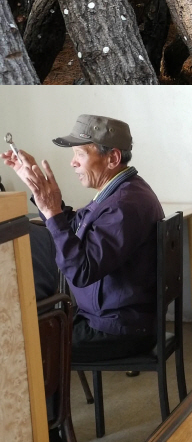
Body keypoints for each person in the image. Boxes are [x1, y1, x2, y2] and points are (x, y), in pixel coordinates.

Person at [2, 114, 163, 362]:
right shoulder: (121, 190)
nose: (72, 163)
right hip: (107, 319)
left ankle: (51, 403)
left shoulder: (123, 206)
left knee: (18, 346)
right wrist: (43, 195)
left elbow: (81, 272)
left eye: (80, 154)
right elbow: (77, 227)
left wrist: (52, 211)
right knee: (23, 334)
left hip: (117, 329)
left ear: (113, 158)